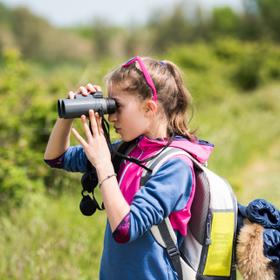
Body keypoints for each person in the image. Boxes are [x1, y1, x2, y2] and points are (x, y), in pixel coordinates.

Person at [44, 56, 214, 280]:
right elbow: (56, 158)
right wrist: (69, 113)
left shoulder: (176, 166)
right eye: (109, 106)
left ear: (149, 108)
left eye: (118, 106)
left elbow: (126, 228)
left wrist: (103, 164)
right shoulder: (128, 151)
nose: (111, 116)